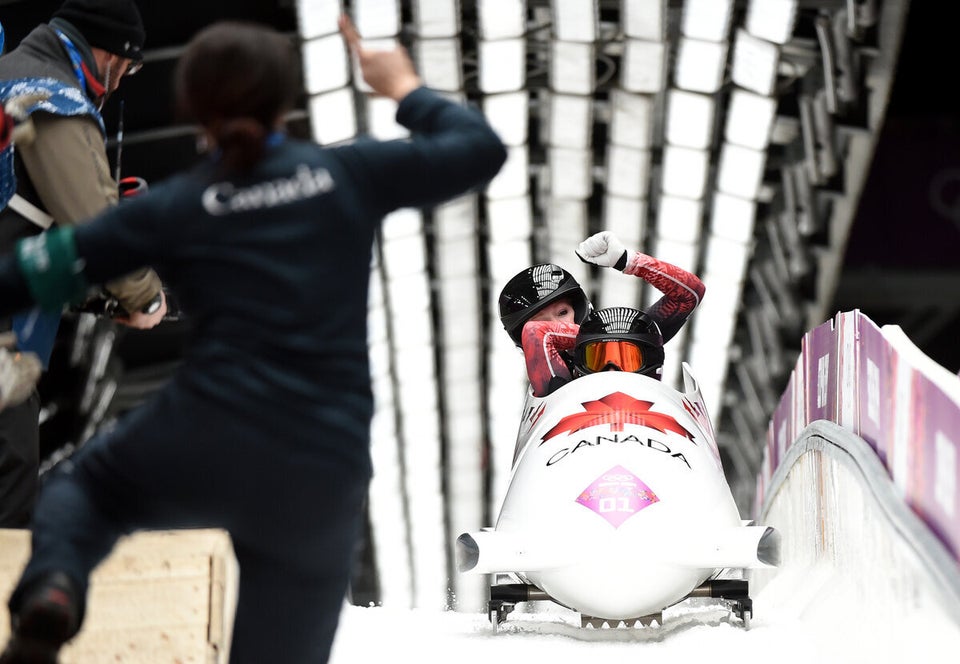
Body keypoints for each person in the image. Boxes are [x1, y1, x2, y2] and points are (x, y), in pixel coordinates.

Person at [0, 15, 505, 664]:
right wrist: (404, 87)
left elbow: (26, 274)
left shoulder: (174, 208)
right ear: (286, 100)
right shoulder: (347, 175)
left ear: (189, 107)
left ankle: (55, 592)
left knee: (83, 492)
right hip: (323, 460)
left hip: (206, 430)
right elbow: (478, 150)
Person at [0, 0, 167, 529]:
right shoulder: (52, 99)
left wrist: (97, 298)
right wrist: (144, 295)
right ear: (109, 54)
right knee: (9, 479)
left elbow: (24, 238)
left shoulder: (9, 77)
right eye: (129, 67)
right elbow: (97, 226)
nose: (123, 82)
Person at [498, 230, 705, 396]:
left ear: (579, 311)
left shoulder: (630, 336)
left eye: (562, 313)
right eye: (545, 321)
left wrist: (629, 261)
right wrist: (595, 338)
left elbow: (690, 294)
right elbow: (537, 334)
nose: (557, 325)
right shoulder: (545, 371)